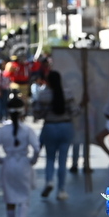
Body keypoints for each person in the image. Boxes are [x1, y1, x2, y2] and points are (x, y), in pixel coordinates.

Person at [30, 57, 75, 200]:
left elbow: (37, 113)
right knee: (62, 160)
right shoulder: (67, 94)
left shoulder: (43, 95)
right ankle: (61, 190)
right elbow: (75, 112)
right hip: (66, 126)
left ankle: (49, 181)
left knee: (50, 158)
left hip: (49, 127)